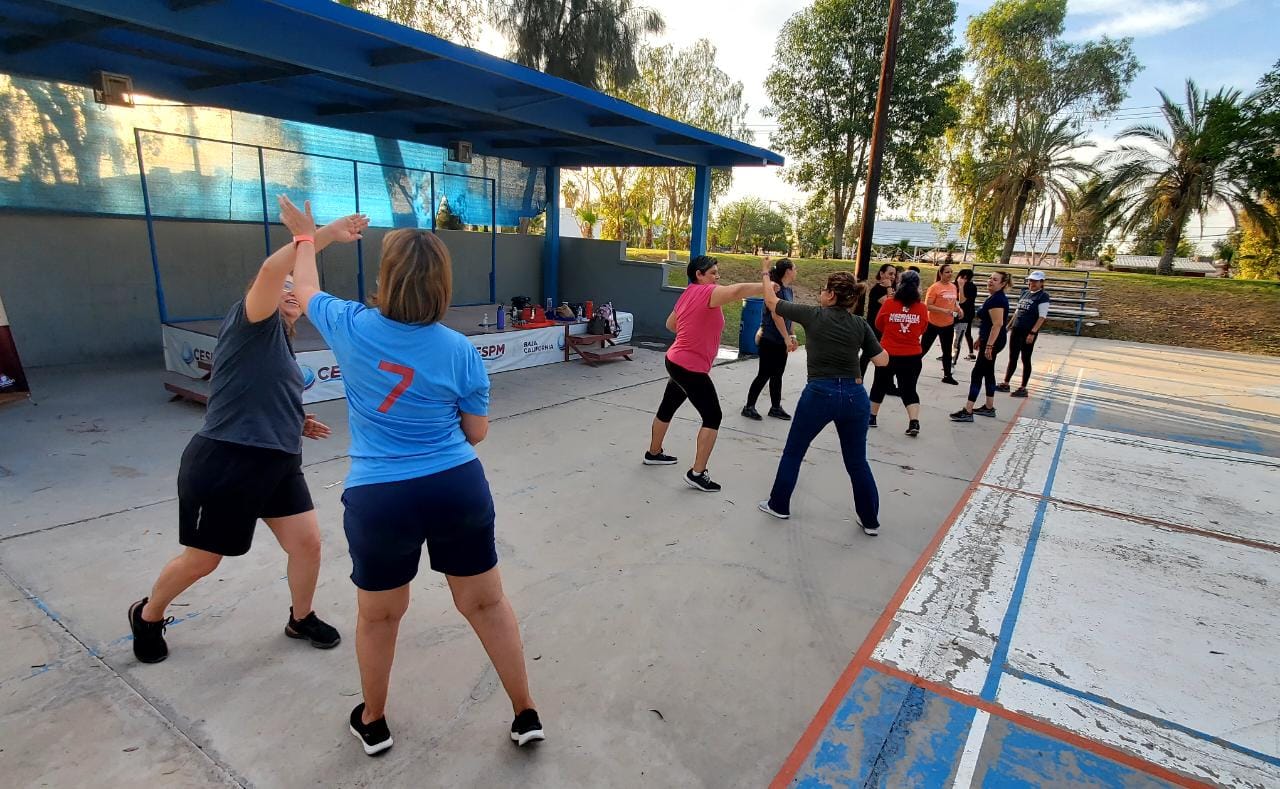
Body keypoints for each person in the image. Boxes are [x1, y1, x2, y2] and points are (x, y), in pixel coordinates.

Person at [281, 197, 543, 756]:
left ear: (386, 279)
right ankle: (525, 712)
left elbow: (304, 288)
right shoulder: (460, 350)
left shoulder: (350, 325)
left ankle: (373, 721)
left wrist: (309, 237)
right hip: (456, 486)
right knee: (487, 605)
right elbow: (476, 433)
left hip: (380, 497)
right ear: (443, 284)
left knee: (380, 616)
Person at [127, 212, 368, 664]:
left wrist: (295, 420)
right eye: (286, 287)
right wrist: (319, 237)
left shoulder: (280, 339)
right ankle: (149, 614)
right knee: (204, 560)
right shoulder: (250, 320)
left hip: (277, 462)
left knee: (307, 544)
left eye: (298, 287)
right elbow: (270, 271)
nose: (292, 291)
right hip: (226, 461)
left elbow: (257, 390)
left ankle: (300, 617)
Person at [757, 269, 888, 533]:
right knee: (857, 462)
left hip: (819, 393)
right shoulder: (860, 324)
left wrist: (764, 273)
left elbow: (772, 303)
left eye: (824, 290)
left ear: (830, 294)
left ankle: (779, 505)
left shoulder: (813, 315)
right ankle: (870, 520)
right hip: (854, 396)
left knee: (794, 452)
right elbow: (882, 360)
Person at [645, 255, 771, 492]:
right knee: (713, 416)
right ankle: (697, 473)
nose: (717, 276)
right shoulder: (706, 292)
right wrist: (767, 283)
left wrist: (693, 329)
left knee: (667, 406)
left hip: (675, 361)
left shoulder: (688, 293)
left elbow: (671, 324)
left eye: (717, 272)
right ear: (699, 275)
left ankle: (653, 453)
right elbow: (739, 291)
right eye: (712, 272)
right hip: (689, 367)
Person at [870, 271, 929, 436]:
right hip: (912, 355)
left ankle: (872, 417)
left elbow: (878, 324)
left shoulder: (889, 304)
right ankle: (914, 421)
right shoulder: (922, 308)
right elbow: (923, 328)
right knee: (909, 389)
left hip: (888, 353)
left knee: (879, 385)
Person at [950, 271, 1011, 422]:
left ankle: (968, 410)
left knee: (977, 373)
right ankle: (989, 407)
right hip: (990, 339)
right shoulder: (993, 297)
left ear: (1003, 284)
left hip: (994, 341)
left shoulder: (997, 299)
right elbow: (989, 323)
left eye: (995, 279)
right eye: (990, 278)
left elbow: (997, 324)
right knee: (988, 372)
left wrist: (989, 346)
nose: (990, 281)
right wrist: (980, 338)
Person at [743, 258, 798, 421]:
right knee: (764, 374)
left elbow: (790, 314)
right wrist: (786, 338)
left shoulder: (789, 290)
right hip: (769, 338)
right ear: (788, 271)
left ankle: (775, 407)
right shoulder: (775, 288)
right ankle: (749, 407)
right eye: (795, 268)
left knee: (777, 375)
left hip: (781, 339)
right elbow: (776, 316)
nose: (796, 271)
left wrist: (792, 335)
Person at [997, 270, 1051, 397]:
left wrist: (1033, 332)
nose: (1032, 283)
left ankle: (1023, 387)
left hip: (1028, 330)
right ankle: (1006, 383)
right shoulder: (1024, 293)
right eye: (1030, 281)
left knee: (1025, 358)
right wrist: (1009, 326)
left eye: (1035, 281)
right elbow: (1017, 312)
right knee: (1013, 357)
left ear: (1041, 283)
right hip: (1017, 328)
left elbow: (1042, 317)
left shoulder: (1043, 296)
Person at [919, 263, 962, 385]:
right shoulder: (934, 287)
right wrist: (943, 310)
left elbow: (954, 302)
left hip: (947, 324)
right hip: (933, 323)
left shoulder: (953, 287)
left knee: (947, 351)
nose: (950, 274)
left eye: (951, 272)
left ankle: (947, 375)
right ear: (941, 273)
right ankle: (910, 369)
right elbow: (927, 306)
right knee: (923, 349)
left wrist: (959, 309)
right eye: (947, 272)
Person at [950, 268, 978, 361]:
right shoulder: (953, 285)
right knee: (950, 334)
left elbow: (962, 301)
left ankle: (966, 354)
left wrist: (961, 287)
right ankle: (948, 354)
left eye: (966, 278)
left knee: (964, 333)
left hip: (966, 313)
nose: (963, 280)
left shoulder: (971, 287)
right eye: (962, 277)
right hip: (955, 312)